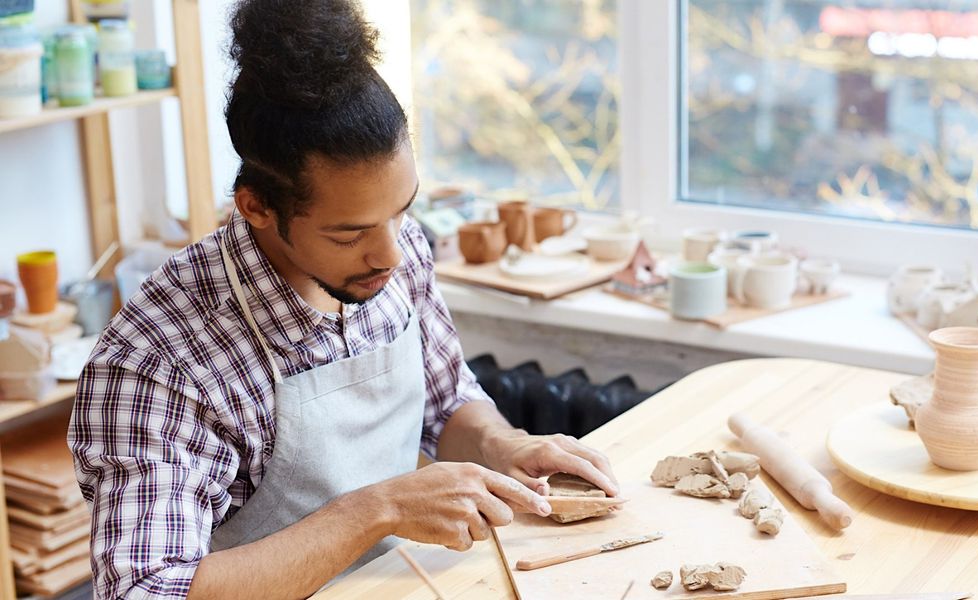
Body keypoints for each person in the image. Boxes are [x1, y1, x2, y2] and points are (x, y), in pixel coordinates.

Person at [67, 1, 620, 597]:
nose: (390, 255)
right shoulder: (159, 363)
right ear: (256, 207)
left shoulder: (391, 249)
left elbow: (446, 398)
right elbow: (145, 590)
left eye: (401, 210)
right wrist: (373, 512)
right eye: (348, 233)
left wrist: (501, 445)